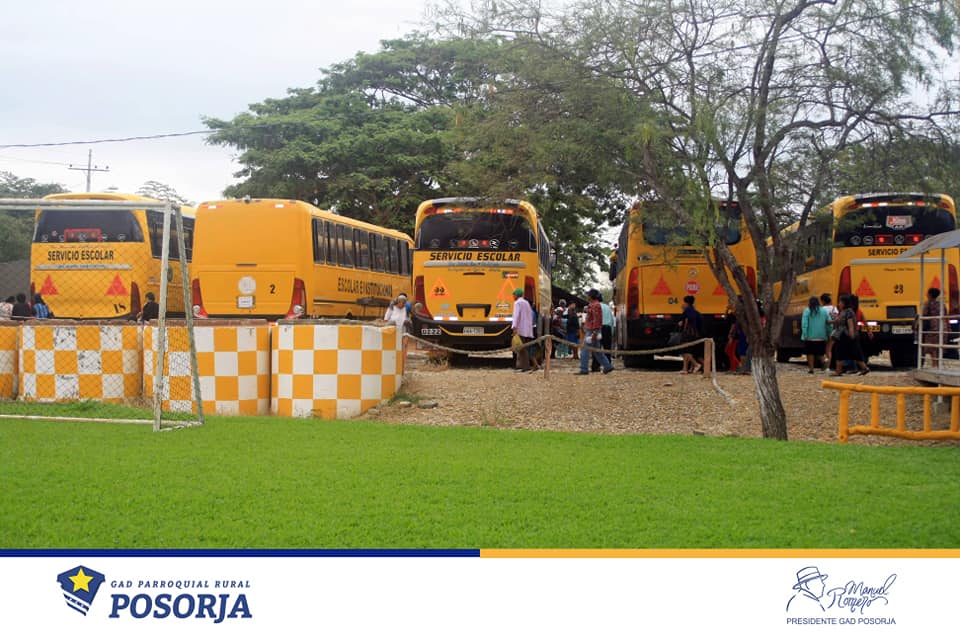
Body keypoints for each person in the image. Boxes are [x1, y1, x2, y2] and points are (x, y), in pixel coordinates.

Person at [575, 289, 613, 375]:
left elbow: (597, 319)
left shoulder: (595, 305)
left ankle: (584, 369)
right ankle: (607, 366)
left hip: (592, 330)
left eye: (588, 294)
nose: (587, 296)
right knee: (597, 351)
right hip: (592, 330)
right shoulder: (593, 305)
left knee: (585, 350)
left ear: (591, 296)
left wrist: (595, 332)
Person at [831, 294, 869, 376]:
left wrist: (852, 335)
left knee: (841, 352)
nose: (839, 304)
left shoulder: (848, 312)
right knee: (851, 352)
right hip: (843, 336)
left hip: (847, 336)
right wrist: (831, 320)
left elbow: (850, 324)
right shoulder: (843, 312)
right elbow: (839, 321)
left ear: (844, 303)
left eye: (840, 302)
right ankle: (864, 368)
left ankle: (839, 371)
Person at [801, 296, 830, 373]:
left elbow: (804, 324)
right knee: (820, 352)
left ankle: (811, 369)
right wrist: (829, 333)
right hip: (821, 336)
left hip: (810, 336)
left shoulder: (807, 310)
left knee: (810, 353)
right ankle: (824, 361)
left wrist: (804, 334)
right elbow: (828, 322)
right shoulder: (824, 311)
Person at [511, 287, 536, 372]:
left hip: (520, 328)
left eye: (513, 295)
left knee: (521, 348)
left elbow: (516, 316)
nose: (513, 296)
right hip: (528, 328)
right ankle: (529, 365)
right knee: (525, 347)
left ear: (516, 295)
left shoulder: (517, 303)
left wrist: (514, 327)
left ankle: (526, 366)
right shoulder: (526, 303)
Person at [920, 287, 945, 367]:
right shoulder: (941, 304)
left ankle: (934, 364)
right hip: (942, 326)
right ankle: (938, 364)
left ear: (930, 294)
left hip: (932, 327)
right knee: (939, 347)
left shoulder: (928, 304)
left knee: (932, 347)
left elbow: (924, 314)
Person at [679, 295, 704, 374]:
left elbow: (689, 319)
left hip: (689, 333)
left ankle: (696, 364)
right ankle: (685, 368)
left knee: (686, 350)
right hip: (693, 333)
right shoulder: (694, 310)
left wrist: (683, 323)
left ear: (686, 303)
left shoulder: (689, 310)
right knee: (687, 351)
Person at [593, 293, 615, 372]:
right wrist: (611, 332)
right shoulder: (607, 307)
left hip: (599, 328)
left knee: (596, 348)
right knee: (607, 348)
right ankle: (608, 366)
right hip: (607, 328)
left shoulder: (595, 306)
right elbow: (611, 320)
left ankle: (595, 366)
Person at [820, 293, 838, 367]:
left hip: (825, 331)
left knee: (821, 350)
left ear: (823, 301)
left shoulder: (822, 309)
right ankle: (828, 367)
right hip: (834, 331)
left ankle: (825, 365)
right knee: (829, 350)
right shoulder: (835, 308)